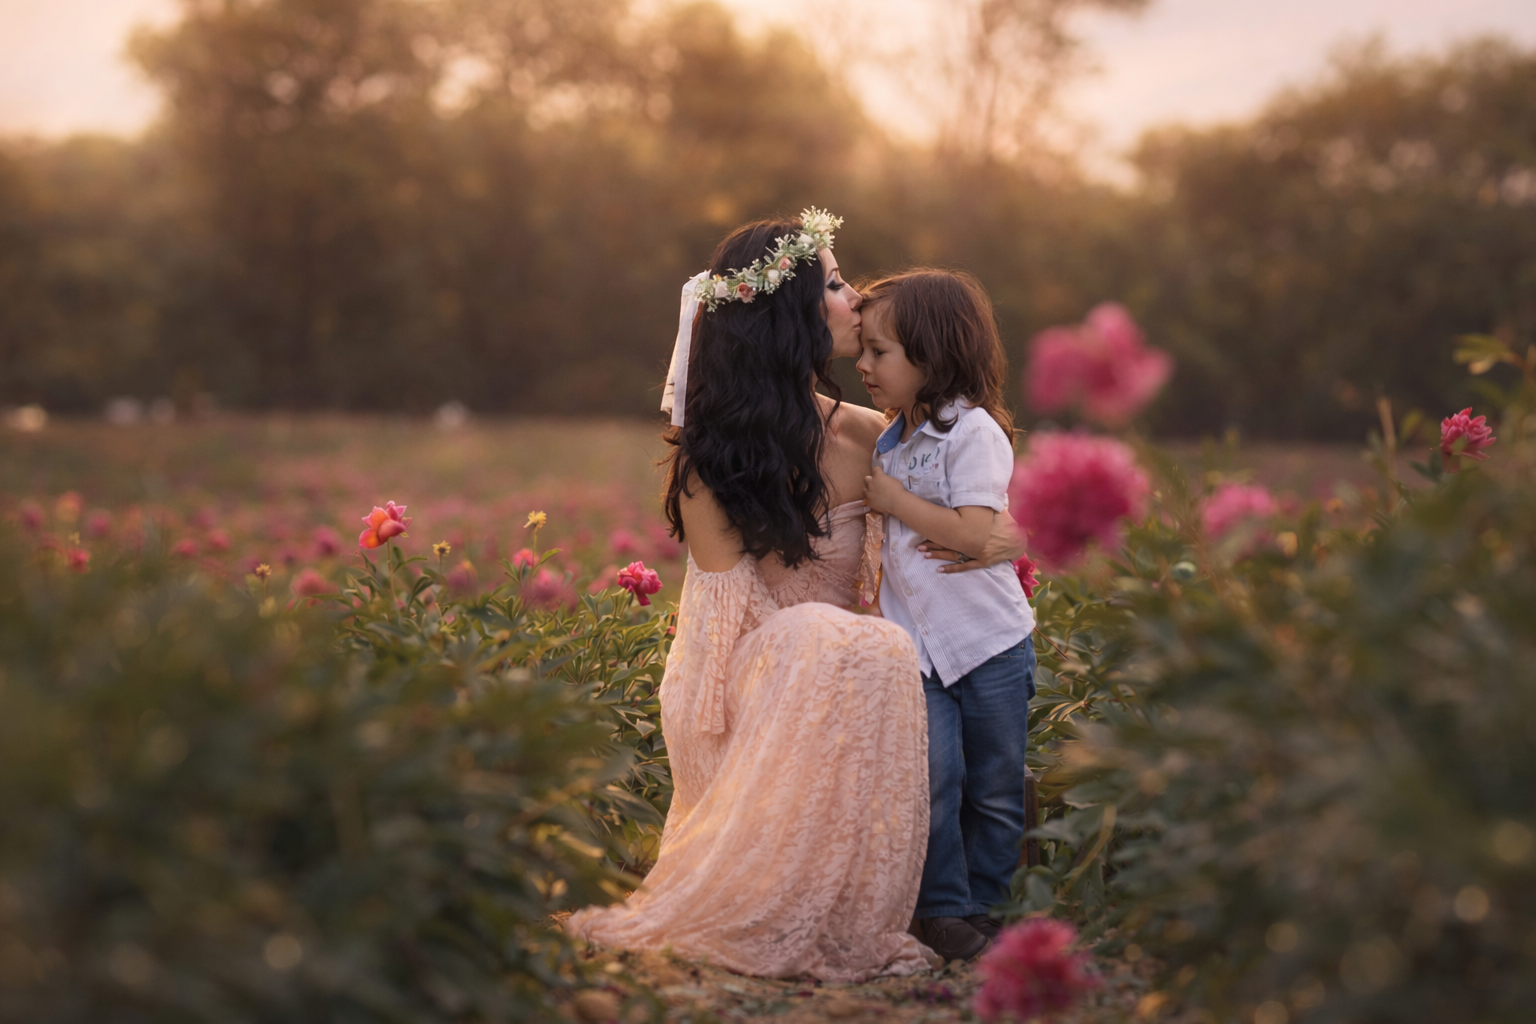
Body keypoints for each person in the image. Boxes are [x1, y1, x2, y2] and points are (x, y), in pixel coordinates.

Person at [566, 210, 937, 981]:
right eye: (834, 284)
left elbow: (962, 489)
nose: (856, 296)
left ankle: (855, 906)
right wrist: (824, 650)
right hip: (742, 681)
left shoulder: (872, 435)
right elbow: (722, 622)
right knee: (841, 640)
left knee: (875, 644)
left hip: (845, 670)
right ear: (784, 315)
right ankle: (752, 900)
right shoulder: (710, 461)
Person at [856, 269, 1038, 963]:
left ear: (932, 355)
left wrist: (895, 501)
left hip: (989, 643)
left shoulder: (972, 433)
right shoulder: (887, 440)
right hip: (919, 651)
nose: (865, 366)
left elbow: (971, 532)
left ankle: (991, 905)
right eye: (863, 351)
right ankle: (943, 910)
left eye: (881, 353)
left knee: (994, 783)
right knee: (932, 778)